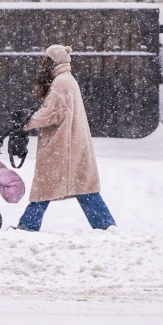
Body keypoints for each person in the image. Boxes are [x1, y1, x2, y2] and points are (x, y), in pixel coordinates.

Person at [15, 44, 116, 231]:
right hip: (73, 143)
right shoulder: (67, 80)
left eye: (45, 59)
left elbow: (51, 114)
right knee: (84, 188)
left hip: (62, 146)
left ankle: (27, 226)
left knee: (45, 187)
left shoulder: (60, 82)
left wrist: (26, 122)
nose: (42, 63)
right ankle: (105, 226)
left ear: (52, 61)